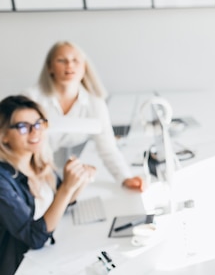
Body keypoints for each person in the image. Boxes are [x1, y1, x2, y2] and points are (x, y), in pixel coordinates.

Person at [0, 95, 135, 275]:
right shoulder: (2, 181)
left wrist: (77, 182)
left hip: (48, 263)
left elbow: (57, 207)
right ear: (4, 136)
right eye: (23, 127)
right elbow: (34, 236)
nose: (35, 132)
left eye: (38, 123)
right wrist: (66, 189)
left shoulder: (36, 163)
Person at [25, 41, 144, 191]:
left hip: (68, 173)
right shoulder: (31, 100)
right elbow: (26, 148)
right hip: (33, 169)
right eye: (61, 60)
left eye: (75, 60)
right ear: (50, 67)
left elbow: (107, 148)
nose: (69, 65)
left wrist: (125, 177)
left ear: (84, 67)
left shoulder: (95, 103)